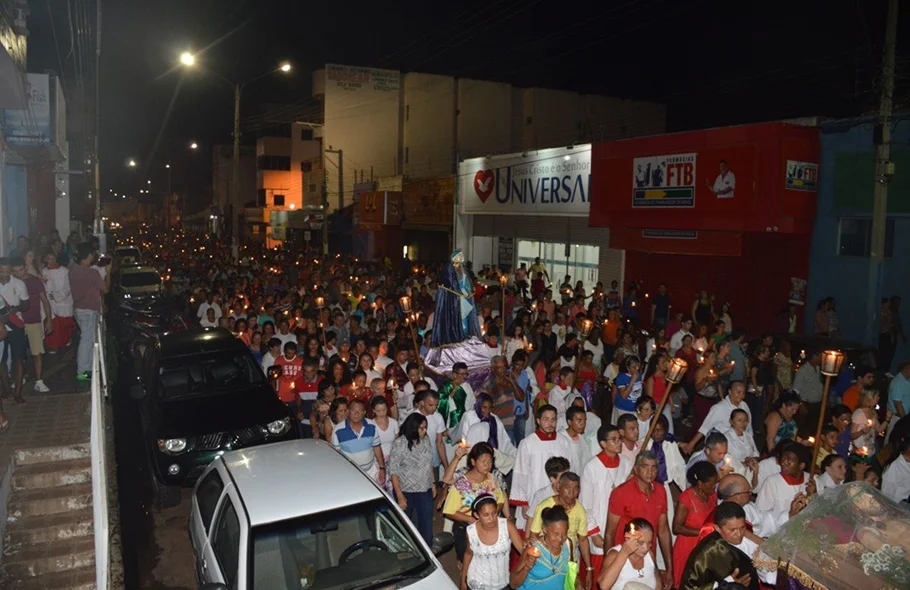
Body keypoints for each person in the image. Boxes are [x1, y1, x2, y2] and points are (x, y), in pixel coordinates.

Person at [606, 451, 673, 588]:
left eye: (654, 467)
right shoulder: (621, 493)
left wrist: (670, 568)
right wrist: (608, 566)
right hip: (624, 559)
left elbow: (664, 530)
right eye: (645, 467)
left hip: (648, 557)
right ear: (636, 469)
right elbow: (609, 533)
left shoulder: (660, 491)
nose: (650, 472)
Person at [579, 424, 633, 580]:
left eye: (619, 438)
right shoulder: (592, 467)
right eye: (614, 439)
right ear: (603, 444)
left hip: (622, 523)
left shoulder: (626, 463)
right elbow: (585, 504)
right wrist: (593, 532)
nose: (619, 442)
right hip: (601, 524)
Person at [509, 404, 571, 529]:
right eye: (546, 419)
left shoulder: (563, 442)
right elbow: (520, 473)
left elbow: (569, 470)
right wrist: (524, 503)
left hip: (557, 495)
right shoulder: (527, 443)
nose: (550, 423)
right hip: (533, 494)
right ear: (538, 421)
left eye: (553, 419)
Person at [444, 442, 508, 562]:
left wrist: (493, 514)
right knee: (470, 564)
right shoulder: (461, 484)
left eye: (490, 462)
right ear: (473, 462)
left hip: (489, 528)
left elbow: (500, 500)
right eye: (483, 462)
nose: (487, 465)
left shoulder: (491, 479)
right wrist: (472, 520)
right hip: (466, 530)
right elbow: (449, 511)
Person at [678, 502, 759, 590]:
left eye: (742, 527)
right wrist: (726, 585)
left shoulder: (746, 541)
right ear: (717, 528)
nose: (739, 534)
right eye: (732, 530)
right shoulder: (706, 554)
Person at [528, 472, 591, 580]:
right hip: (546, 561)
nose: (571, 493)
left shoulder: (580, 510)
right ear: (558, 487)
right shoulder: (545, 506)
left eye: (575, 489)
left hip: (569, 561)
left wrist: (589, 568)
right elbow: (533, 536)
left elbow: (583, 540)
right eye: (567, 488)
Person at [389, 412, 436, 545]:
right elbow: (394, 471)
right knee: (405, 526)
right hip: (405, 491)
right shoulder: (400, 443)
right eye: (421, 428)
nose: (424, 431)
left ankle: (428, 552)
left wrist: (432, 483)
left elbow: (429, 463)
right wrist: (399, 496)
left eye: (425, 427)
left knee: (426, 527)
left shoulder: (425, 440)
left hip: (424, 489)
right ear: (413, 427)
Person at [461, 494, 525, 590]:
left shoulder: (507, 526)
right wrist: (462, 580)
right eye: (486, 515)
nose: (491, 518)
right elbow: (468, 554)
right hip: (477, 583)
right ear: (476, 515)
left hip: (502, 583)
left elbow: (523, 550)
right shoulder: (471, 531)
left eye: (494, 513)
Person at [673, 462, 719, 587]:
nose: (715, 487)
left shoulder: (712, 495)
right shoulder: (686, 498)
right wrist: (703, 532)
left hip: (706, 546)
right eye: (711, 484)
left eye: (716, 482)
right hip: (688, 548)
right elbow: (676, 527)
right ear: (700, 484)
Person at [69, 244, 109, 381]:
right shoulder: (92, 273)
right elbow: (105, 289)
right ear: (88, 256)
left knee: (88, 339)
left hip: (78, 309)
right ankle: (82, 371)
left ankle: (89, 368)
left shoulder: (73, 269)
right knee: (86, 340)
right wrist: (108, 273)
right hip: (89, 309)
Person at [510, 505, 573, 590]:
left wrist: (578, 581)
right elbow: (513, 583)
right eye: (555, 534)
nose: (560, 539)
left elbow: (571, 570)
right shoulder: (533, 548)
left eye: (564, 533)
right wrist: (526, 568)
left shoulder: (568, 544)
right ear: (544, 529)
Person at [14, 259, 52, 393]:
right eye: (15, 271)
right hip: (17, 322)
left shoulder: (35, 281)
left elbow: (45, 300)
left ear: (25, 268)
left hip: (34, 321)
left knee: (37, 352)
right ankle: (20, 377)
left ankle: (39, 381)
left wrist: (49, 320)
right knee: (19, 353)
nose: (18, 274)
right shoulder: (12, 282)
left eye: (21, 270)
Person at [330, 399, 386, 485]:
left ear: (364, 412)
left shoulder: (371, 426)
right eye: (353, 410)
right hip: (349, 475)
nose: (356, 414)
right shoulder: (338, 431)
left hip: (371, 472)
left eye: (360, 411)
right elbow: (336, 457)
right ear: (348, 411)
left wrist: (382, 468)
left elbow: (377, 448)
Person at [432, 249, 481, 346]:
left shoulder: (463, 272)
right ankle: (456, 337)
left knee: (465, 320)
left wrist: (467, 292)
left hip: (464, 298)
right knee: (456, 319)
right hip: (454, 301)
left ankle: (465, 335)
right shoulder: (448, 271)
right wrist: (458, 293)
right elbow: (449, 286)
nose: (459, 266)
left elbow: (467, 284)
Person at [597, 519, 659, 590]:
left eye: (649, 543)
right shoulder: (614, 554)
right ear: (628, 538)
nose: (646, 548)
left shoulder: (650, 555)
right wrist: (624, 553)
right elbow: (603, 586)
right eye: (641, 542)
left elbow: (658, 584)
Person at [755, 444, 808, 525]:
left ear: (801, 465)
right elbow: (760, 515)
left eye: (789, 460)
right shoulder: (772, 482)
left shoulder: (811, 480)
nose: (784, 463)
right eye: (782, 459)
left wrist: (813, 495)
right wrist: (788, 515)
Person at [41, 251, 74, 355]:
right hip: (50, 302)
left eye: (51, 258)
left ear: (55, 259)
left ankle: (65, 341)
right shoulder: (44, 271)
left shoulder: (64, 271)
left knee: (64, 324)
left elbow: (67, 287)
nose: (49, 260)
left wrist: (56, 295)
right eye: (48, 258)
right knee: (53, 324)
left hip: (62, 301)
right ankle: (53, 345)